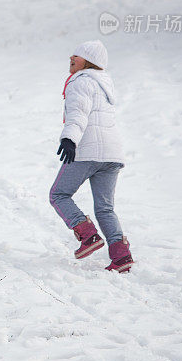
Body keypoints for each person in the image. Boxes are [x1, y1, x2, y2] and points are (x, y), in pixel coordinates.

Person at [49, 40, 133, 272]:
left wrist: (69, 139)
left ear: (89, 62)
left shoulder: (81, 82)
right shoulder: (104, 84)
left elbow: (78, 113)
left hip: (89, 151)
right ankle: (121, 255)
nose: (71, 58)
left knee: (58, 194)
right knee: (105, 208)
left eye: (77, 56)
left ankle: (88, 236)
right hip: (112, 155)